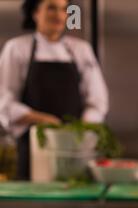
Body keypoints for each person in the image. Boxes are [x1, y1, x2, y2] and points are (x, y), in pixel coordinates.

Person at [0, 0, 108, 179]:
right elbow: (4, 99)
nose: (58, 15)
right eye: (51, 7)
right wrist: (43, 119)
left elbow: (97, 100)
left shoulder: (81, 50)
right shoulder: (17, 48)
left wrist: (80, 130)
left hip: (76, 147)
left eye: (63, 9)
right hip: (33, 146)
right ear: (35, 13)